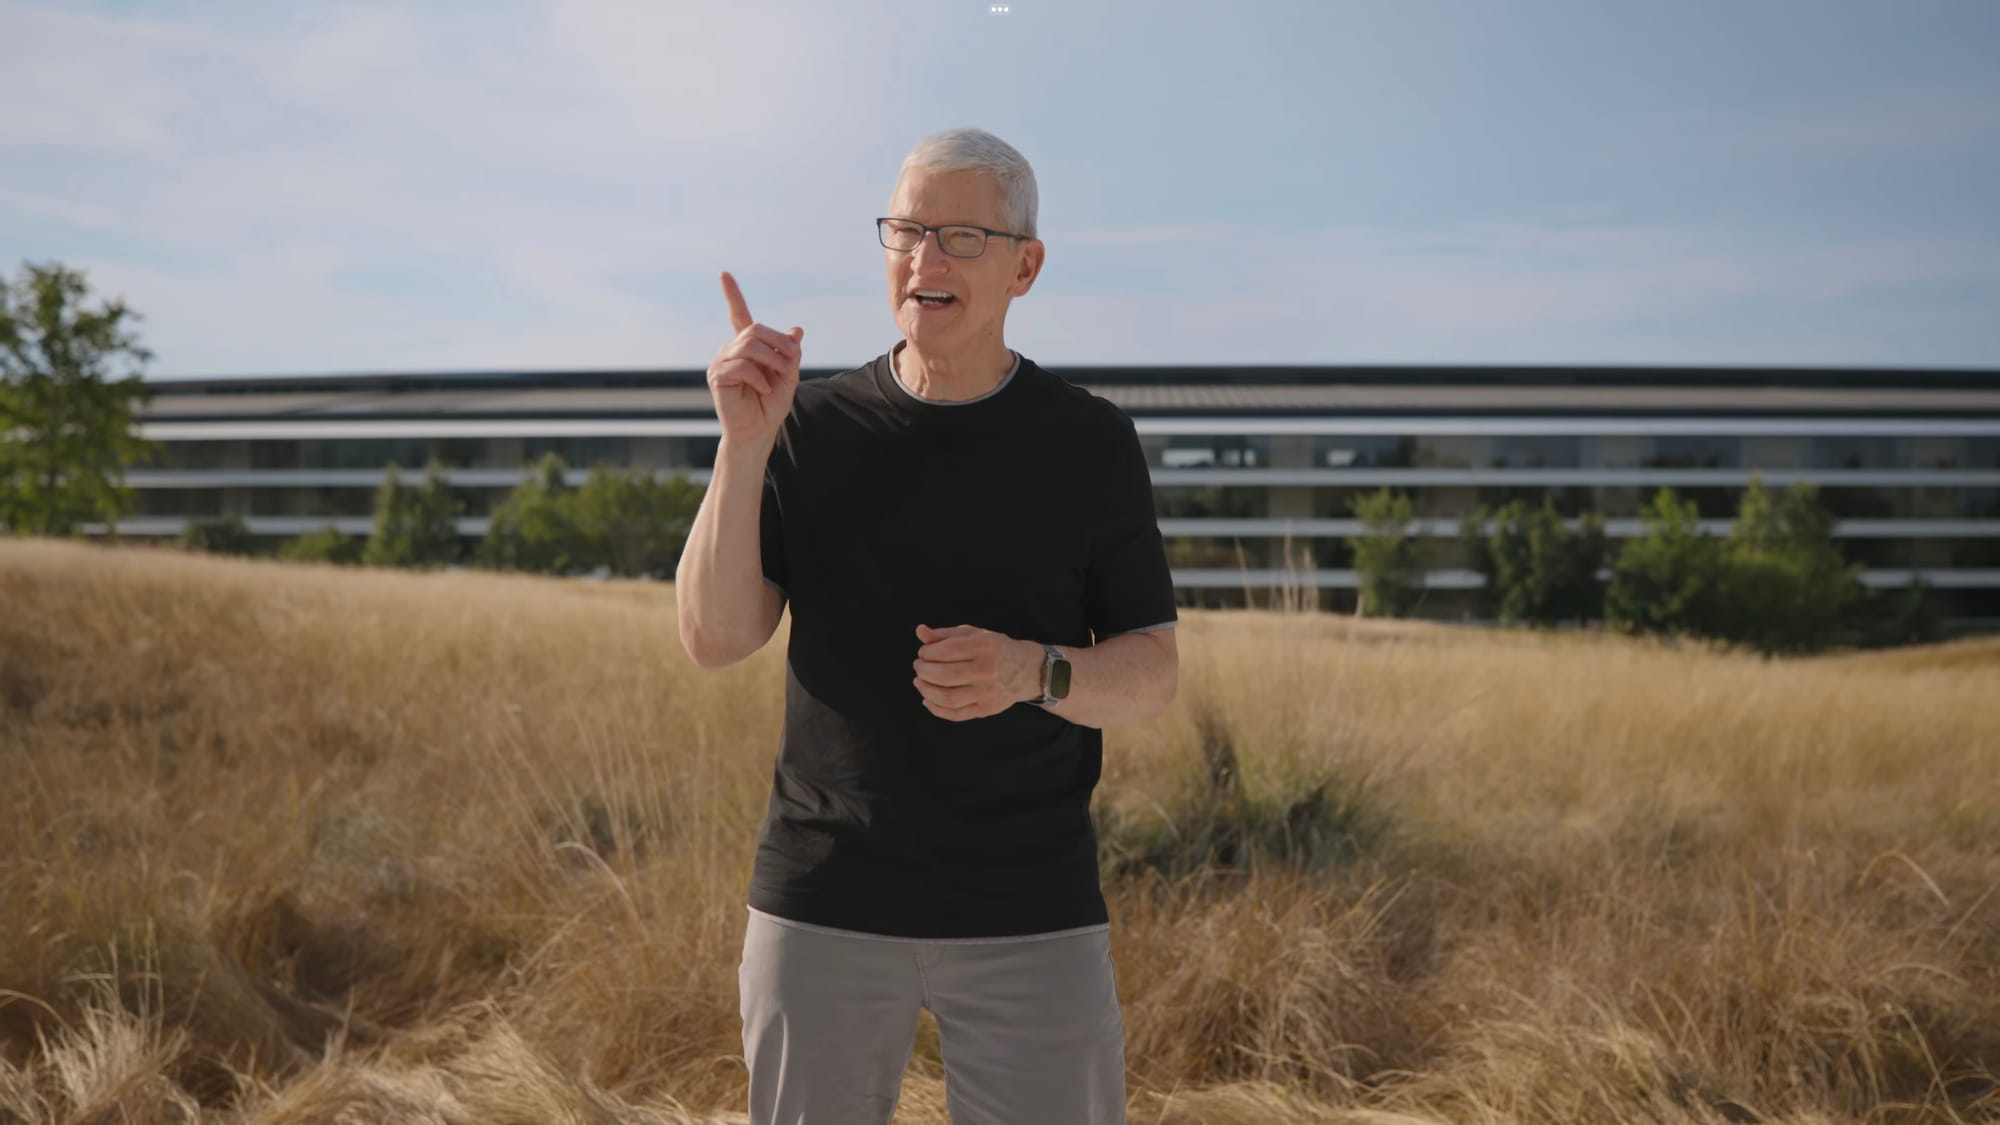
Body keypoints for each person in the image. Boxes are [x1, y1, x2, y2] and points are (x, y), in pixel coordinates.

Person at [676, 126, 1180, 1125]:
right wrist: (742, 448)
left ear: (1025, 267)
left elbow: (1151, 671)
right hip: (823, 902)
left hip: (1029, 911)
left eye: (959, 235)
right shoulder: (809, 430)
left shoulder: (1087, 442)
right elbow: (713, 636)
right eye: (905, 231)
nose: (924, 259)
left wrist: (1036, 672)